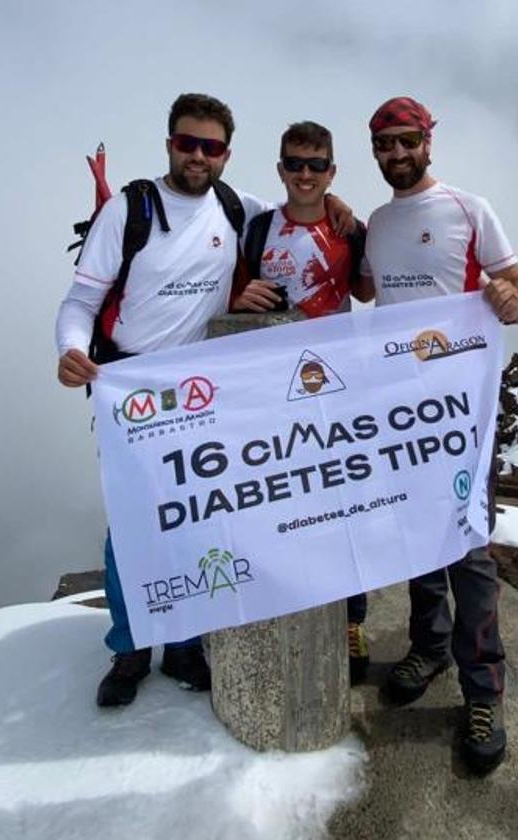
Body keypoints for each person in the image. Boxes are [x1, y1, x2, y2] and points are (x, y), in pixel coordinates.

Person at [55, 93, 355, 708]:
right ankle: (131, 646)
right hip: (134, 385)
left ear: (226, 154)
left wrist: (335, 204)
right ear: (169, 143)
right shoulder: (127, 211)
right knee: (135, 524)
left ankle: (186, 641)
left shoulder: (233, 206)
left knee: (198, 515)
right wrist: (70, 349)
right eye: (188, 143)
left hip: (206, 390)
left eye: (211, 147)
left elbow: (296, 208)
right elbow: (80, 301)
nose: (198, 156)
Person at [361, 95, 518, 774]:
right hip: (399, 412)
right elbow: (370, 293)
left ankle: (483, 689)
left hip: (463, 413)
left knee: (467, 547)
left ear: (428, 142)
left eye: (408, 141)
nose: (397, 155)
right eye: (385, 146)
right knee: (413, 536)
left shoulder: (469, 209)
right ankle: (428, 646)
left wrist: (511, 300)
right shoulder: (376, 223)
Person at [229, 120, 374, 684]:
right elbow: (237, 292)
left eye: (318, 166)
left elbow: (364, 290)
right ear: (280, 169)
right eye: (296, 164)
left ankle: (350, 618)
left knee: (344, 503)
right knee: (278, 499)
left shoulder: (350, 231)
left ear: (332, 172)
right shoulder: (259, 228)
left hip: (336, 387)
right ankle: (281, 595)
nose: (306, 175)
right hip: (270, 386)